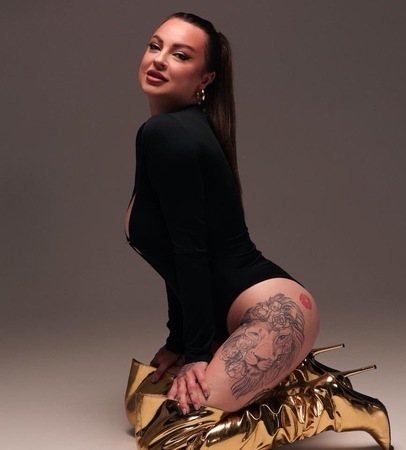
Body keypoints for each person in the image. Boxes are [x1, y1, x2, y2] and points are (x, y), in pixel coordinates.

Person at [124, 12, 320, 415]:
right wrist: (180, 341)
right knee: (139, 405)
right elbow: (175, 259)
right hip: (237, 318)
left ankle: (334, 403)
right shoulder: (168, 130)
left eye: (180, 55)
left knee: (177, 429)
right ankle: (279, 382)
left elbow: (190, 250)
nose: (159, 59)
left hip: (274, 316)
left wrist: (196, 353)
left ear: (205, 79)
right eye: (155, 46)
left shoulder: (167, 133)